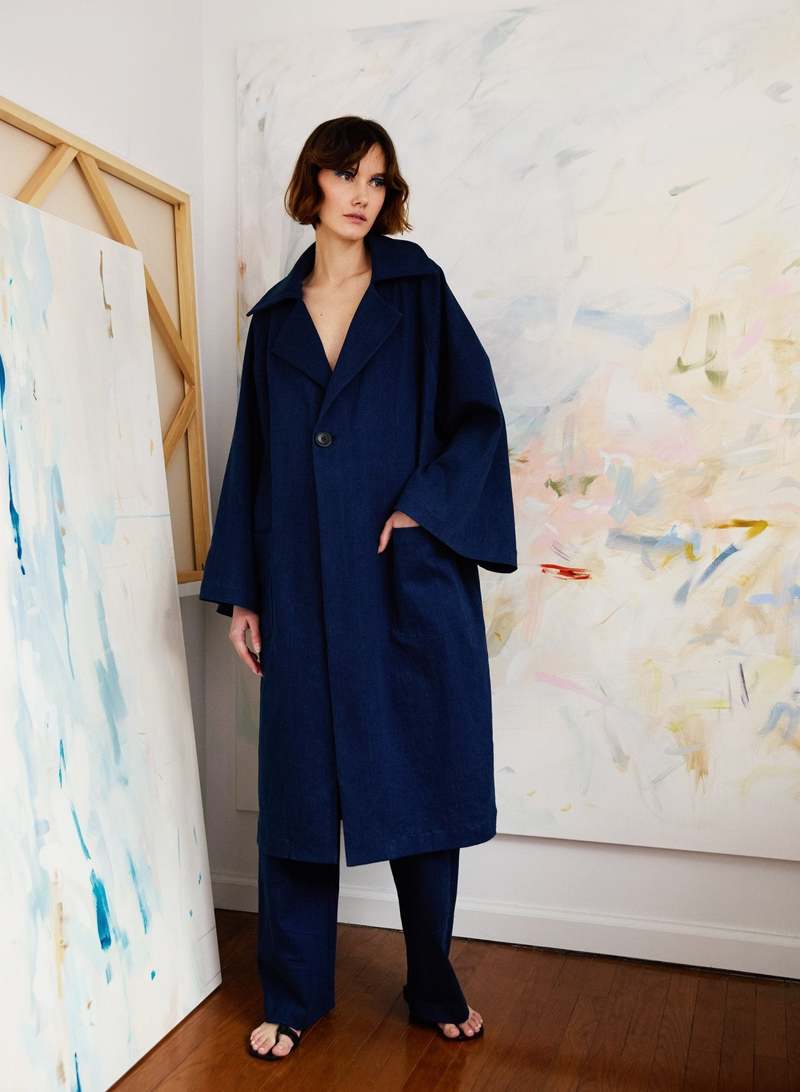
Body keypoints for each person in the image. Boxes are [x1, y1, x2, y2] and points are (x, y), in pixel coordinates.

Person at [199, 116, 517, 1061]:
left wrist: (424, 507)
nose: (362, 194)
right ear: (314, 184)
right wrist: (245, 592)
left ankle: (432, 981)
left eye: (378, 179)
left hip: (403, 581)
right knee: (299, 794)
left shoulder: (418, 291)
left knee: (421, 775)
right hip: (300, 585)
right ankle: (293, 993)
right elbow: (254, 460)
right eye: (346, 175)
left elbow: (479, 418)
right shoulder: (274, 321)